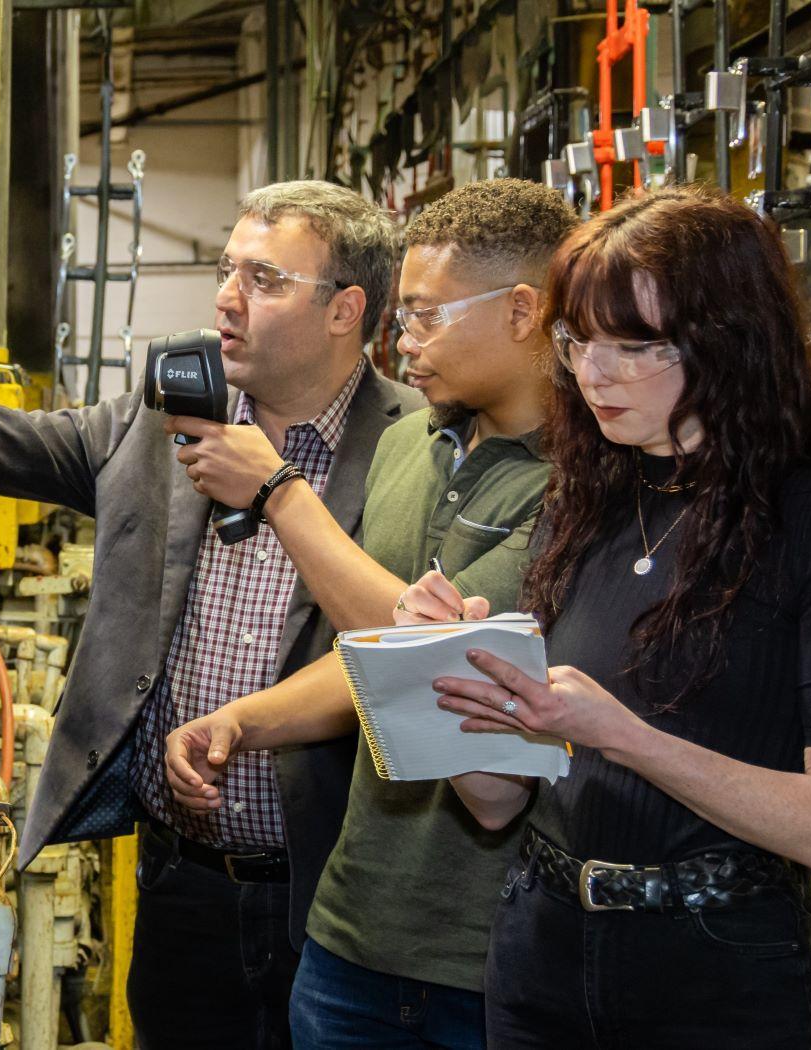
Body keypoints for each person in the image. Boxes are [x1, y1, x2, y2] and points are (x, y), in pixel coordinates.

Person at [0, 180, 421, 1050]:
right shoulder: (161, 422)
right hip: (185, 888)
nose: (226, 297)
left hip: (334, 895)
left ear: (344, 309)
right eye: (225, 269)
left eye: (264, 278)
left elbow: (417, 651)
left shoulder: (416, 444)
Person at [424, 186, 811, 1049]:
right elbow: (498, 802)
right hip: (541, 948)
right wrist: (454, 674)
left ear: (729, 343)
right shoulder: (588, 501)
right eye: (577, 343)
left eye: (635, 347)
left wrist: (624, 735)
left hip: (712, 972)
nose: (592, 375)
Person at [162, 179, 579, 1048]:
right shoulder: (405, 445)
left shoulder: (583, 491)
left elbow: (443, 662)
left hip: (486, 955)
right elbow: (375, 656)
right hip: (349, 932)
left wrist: (280, 494)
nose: (404, 339)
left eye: (427, 316)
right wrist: (243, 721)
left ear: (523, 312)